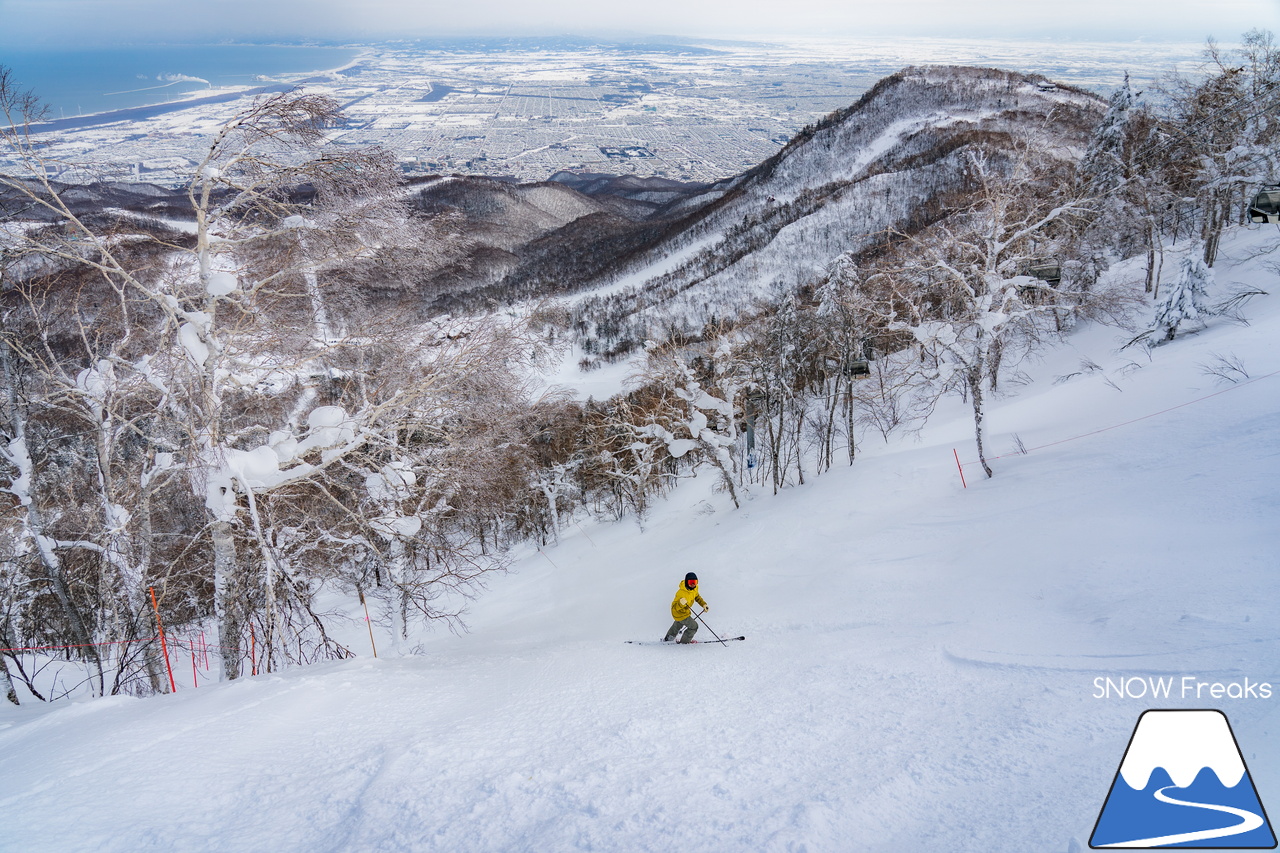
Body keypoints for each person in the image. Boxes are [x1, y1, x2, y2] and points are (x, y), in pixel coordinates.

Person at [663, 572, 708, 643]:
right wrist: (680, 603)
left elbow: (697, 596)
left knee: (678, 624)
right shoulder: (681, 593)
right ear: (687, 582)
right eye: (691, 582)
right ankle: (684, 642)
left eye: (695, 582)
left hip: (685, 611)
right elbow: (675, 608)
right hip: (679, 612)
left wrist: (704, 604)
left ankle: (668, 639)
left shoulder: (695, 588)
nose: (693, 584)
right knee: (694, 626)